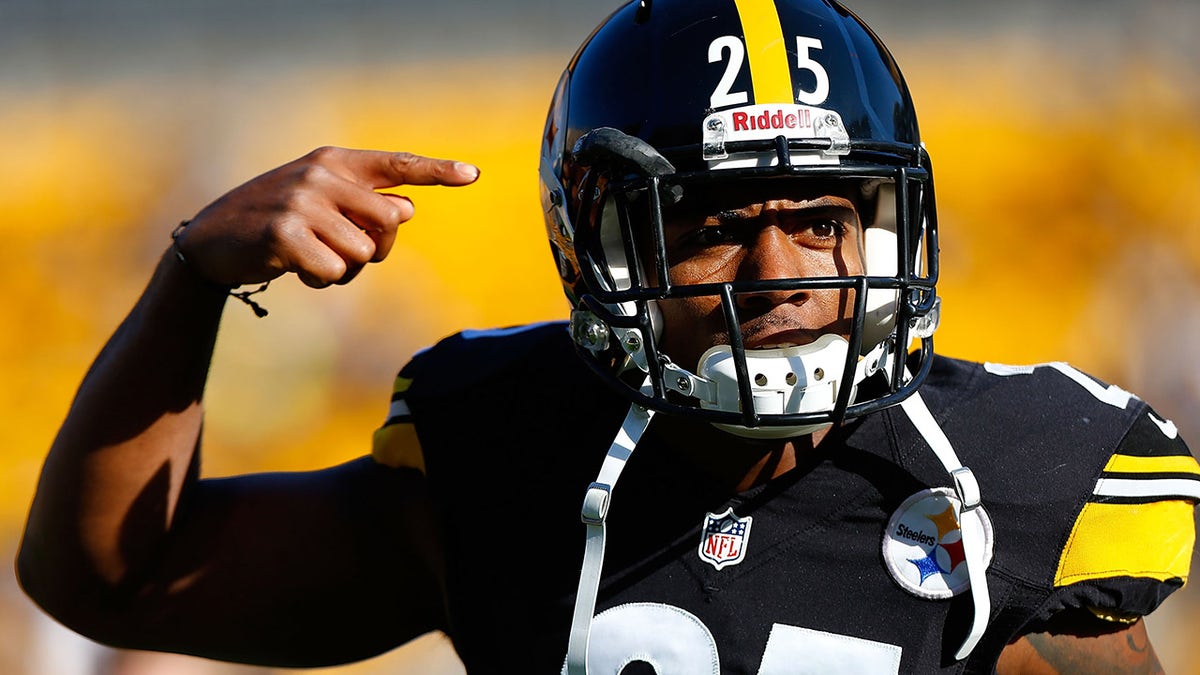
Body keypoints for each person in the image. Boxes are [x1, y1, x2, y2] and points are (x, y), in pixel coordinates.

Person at [17, 0, 1199, 673]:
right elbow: (113, 581)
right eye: (714, 226)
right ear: (605, 249)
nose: (776, 272)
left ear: (887, 226)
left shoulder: (1024, 470)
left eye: (822, 218)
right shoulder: (505, 446)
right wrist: (193, 281)